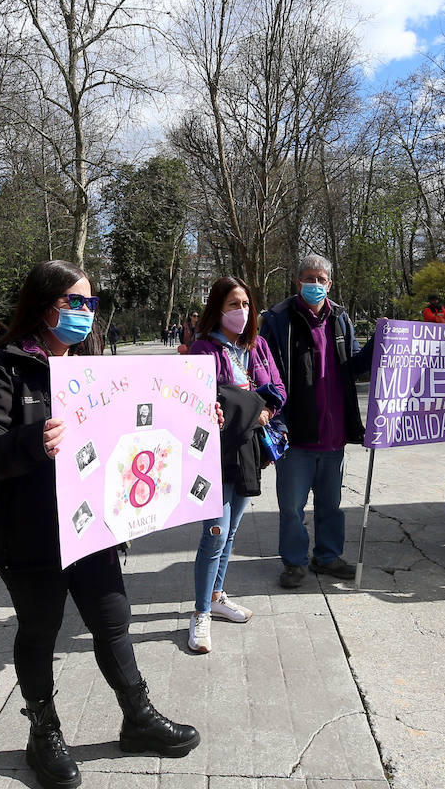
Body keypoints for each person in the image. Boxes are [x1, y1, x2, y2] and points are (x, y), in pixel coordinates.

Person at [0, 260, 199, 789]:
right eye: (74, 302)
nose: (85, 313)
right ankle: (43, 733)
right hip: (29, 531)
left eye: (91, 304)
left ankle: (137, 717)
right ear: (44, 306)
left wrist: (200, 415)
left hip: (94, 526)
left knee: (113, 619)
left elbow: (148, 418)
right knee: (40, 629)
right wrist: (31, 442)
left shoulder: (96, 367)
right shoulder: (4, 367)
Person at [259, 254, 374, 588]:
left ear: (330, 284)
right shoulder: (278, 319)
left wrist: (381, 339)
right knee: (292, 508)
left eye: (320, 279)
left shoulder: (340, 318)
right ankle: (294, 563)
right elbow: (266, 370)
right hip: (295, 435)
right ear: (299, 283)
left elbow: (353, 365)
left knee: (331, 505)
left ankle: (327, 557)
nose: (314, 284)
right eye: (308, 278)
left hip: (333, 433)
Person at [184, 276, 285, 653]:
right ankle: (199, 613)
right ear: (217, 309)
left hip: (250, 451)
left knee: (233, 528)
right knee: (215, 533)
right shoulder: (202, 350)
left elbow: (278, 387)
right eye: (232, 305)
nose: (240, 312)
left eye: (245, 304)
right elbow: (197, 402)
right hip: (216, 455)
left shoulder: (255, 347)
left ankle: (217, 595)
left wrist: (265, 409)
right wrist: (249, 407)